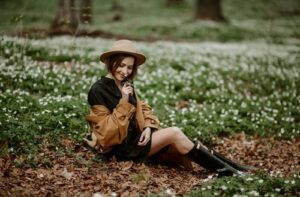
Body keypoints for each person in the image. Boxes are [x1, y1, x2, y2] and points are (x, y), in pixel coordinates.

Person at [84, 39, 253, 177]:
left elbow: (143, 109)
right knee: (174, 133)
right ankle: (231, 174)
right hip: (121, 149)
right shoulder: (97, 90)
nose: (125, 71)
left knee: (183, 143)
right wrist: (124, 101)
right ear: (111, 63)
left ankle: (234, 168)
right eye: (120, 65)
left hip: (138, 139)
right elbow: (106, 134)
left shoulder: (125, 84)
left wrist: (149, 128)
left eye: (129, 67)